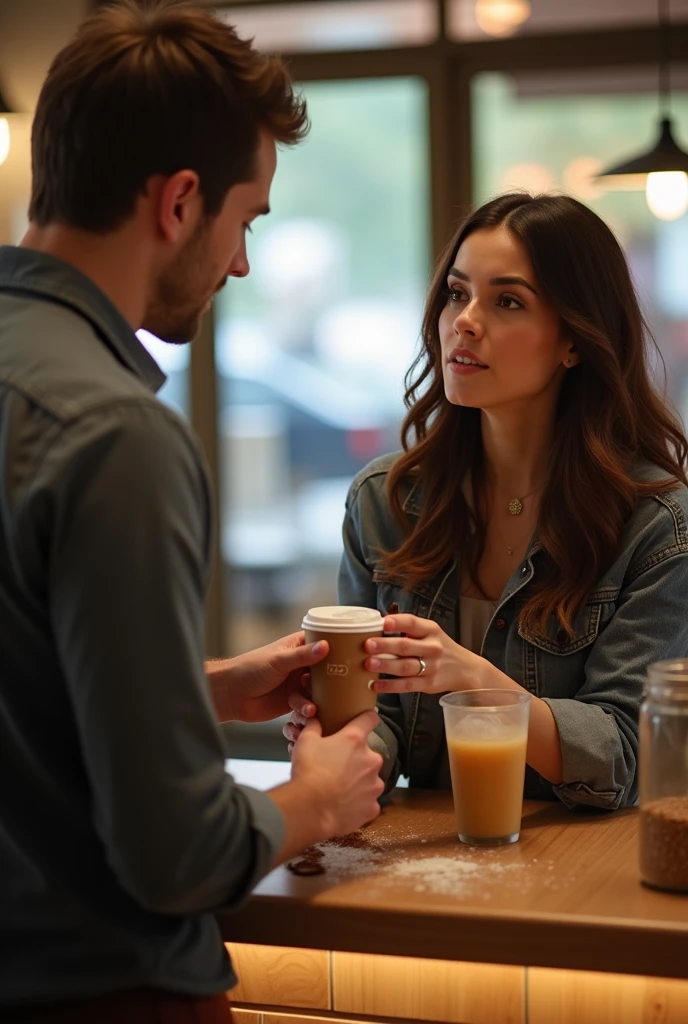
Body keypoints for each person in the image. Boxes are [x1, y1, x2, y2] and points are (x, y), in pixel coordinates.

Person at [0, 2, 384, 1020]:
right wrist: (315, 800)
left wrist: (200, 685)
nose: (243, 262)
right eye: (245, 220)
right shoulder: (114, 432)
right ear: (178, 201)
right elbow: (173, 851)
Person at [286, 192, 688, 810]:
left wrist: (475, 680)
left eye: (507, 301)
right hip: (426, 861)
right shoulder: (384, 502)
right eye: (456, 292)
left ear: (574, 341)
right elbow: (387, 719)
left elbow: (624, 757)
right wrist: (343, 743)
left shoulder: (657, 529)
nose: (465, 321)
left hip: (579, 874)